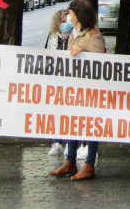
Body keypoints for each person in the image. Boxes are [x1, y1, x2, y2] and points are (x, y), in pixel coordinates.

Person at [49, 0, 105, 181]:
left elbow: (100, 65)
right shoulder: (75, 33)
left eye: (71, 13)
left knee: (90, 127)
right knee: (72, 123)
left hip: (90, 92)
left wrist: (83, 51)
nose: (68, 16)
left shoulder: (94, 36)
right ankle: (70, 161)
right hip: (75, 89)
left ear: (79, 14)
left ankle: (89, 164)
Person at [45, 10, 73, 156]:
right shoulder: (52, 37)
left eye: (67, 21)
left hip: (71, 81)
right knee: (57, 113)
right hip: (56, 81)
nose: (65, 24)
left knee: (70, 113)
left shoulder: (75, 37)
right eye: (62, 22)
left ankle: (70, 142)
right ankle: (57, 142)